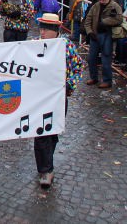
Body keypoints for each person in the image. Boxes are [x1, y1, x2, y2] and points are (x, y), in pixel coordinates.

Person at [34, 13, 83, 189]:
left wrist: (69, 85)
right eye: (41, 28)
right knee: (41, 132)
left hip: (58, 97)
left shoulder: (67, 46)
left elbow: (77, 67)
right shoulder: (34, 45)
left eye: (46, 29)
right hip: (38, 97)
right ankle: (46, 170)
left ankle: (46, 162)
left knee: (52, 132)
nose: (42, 32)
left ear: (56, 31)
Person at [84, 0, 123, 89]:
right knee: (91, 58)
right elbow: (88, 20)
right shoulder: (96, 6)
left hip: (107, 35)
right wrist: (90, 32)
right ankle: (94, 77)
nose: (101, 1)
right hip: (95, 35)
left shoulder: (114, 6)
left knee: (106, 58)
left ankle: (107, 80)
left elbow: (119, 19)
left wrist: (105, 22)